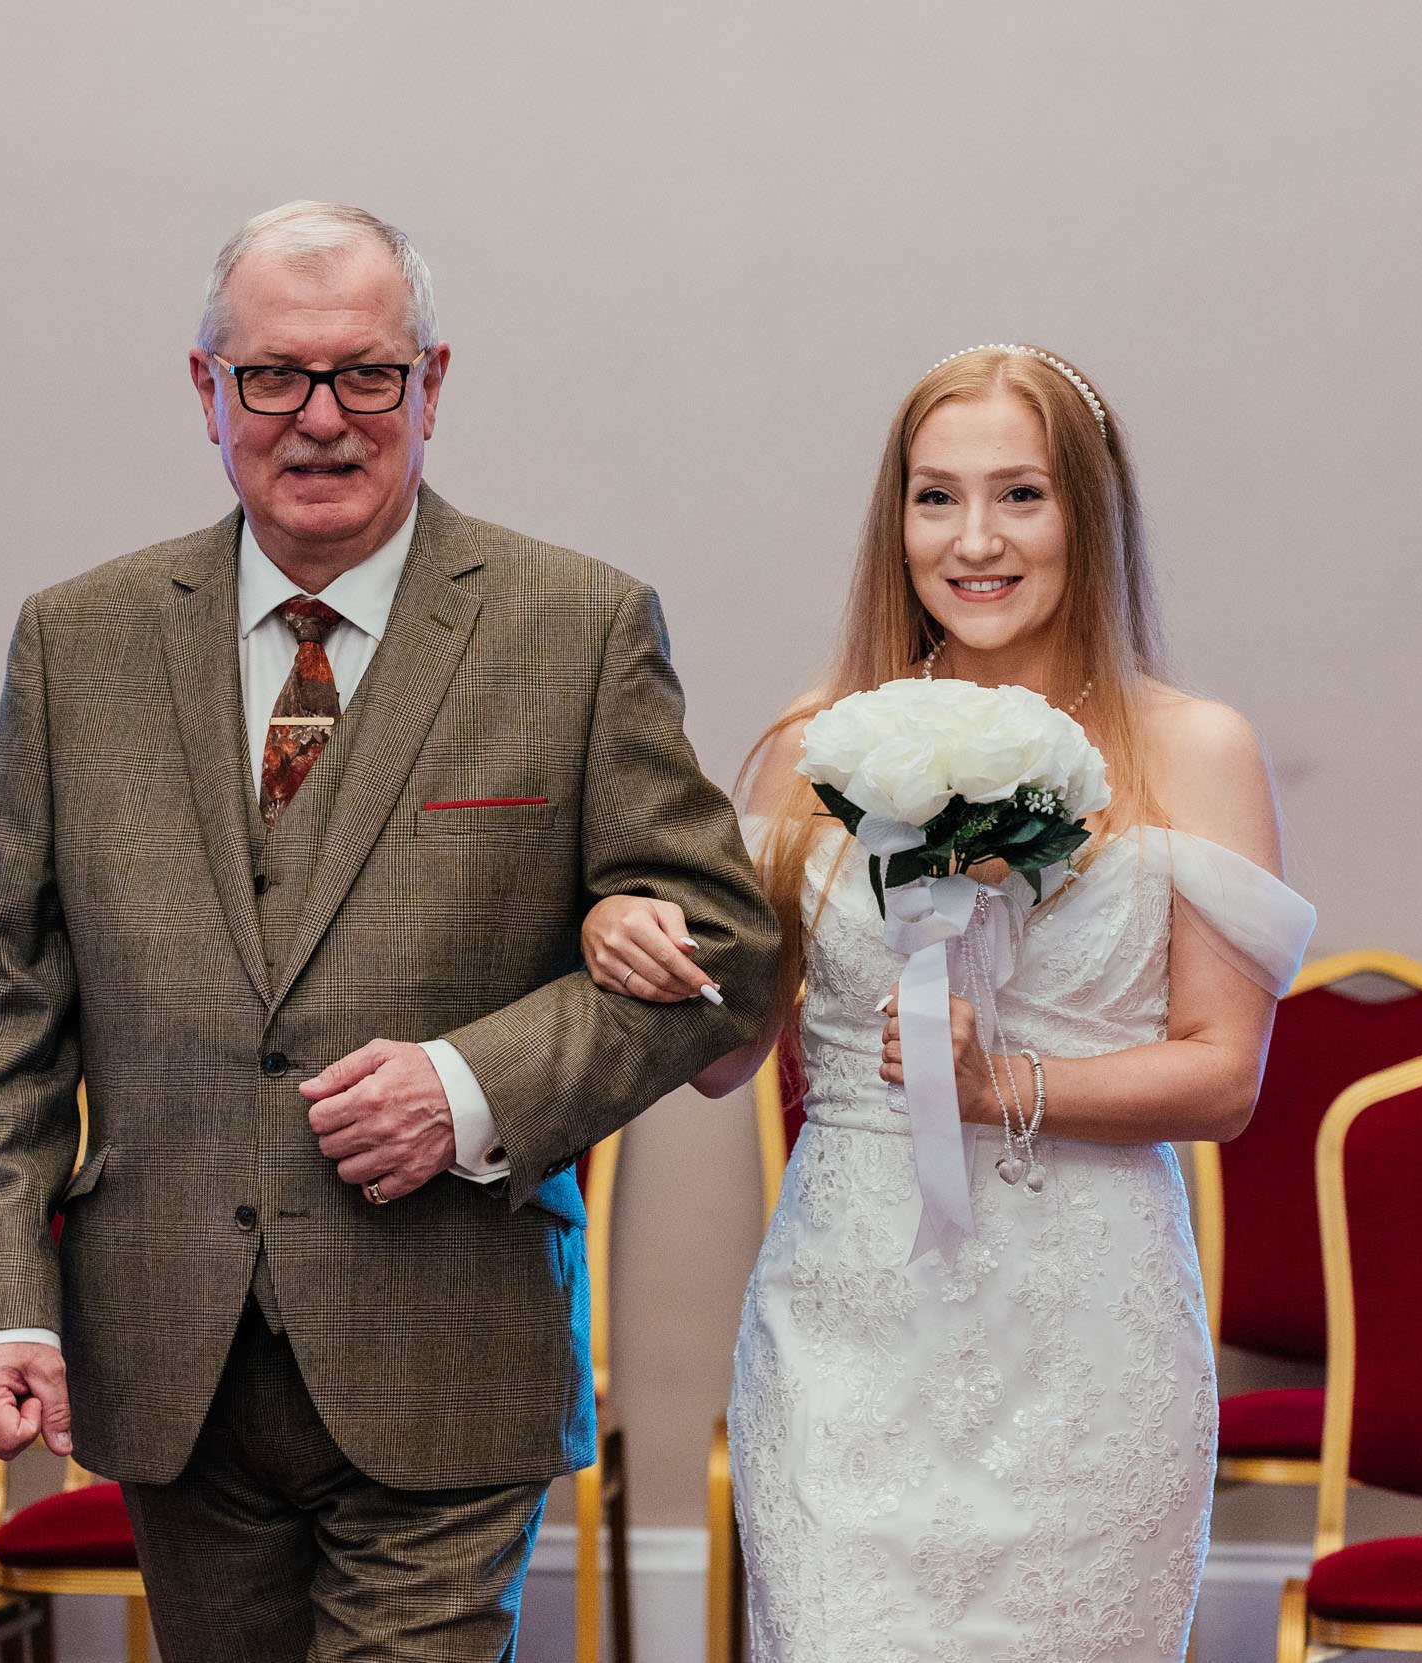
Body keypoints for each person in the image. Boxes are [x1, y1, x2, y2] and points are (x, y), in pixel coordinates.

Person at [0, 199, 780, 1663]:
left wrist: (469, 1090)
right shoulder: (80, 642)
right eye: (275, 375)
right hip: (169, 1355)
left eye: (366, 374)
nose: (321, 417)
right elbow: (3, 996)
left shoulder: (572, 626)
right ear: (208, 390)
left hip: (451, 1346)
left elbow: (726, 955)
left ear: (430, 386)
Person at [584, 345, 1316, 1660]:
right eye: (937, 498)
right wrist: (639, 941)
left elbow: (1226, 1075)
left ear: (1087, 513)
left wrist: (1005, 1090)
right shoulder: (819, 746)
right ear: (897, 519)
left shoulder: (1195, 748)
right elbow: (720, 1059)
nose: (975, 539)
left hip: (1090, 1339)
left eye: (1020, 495)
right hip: (847, 1328)